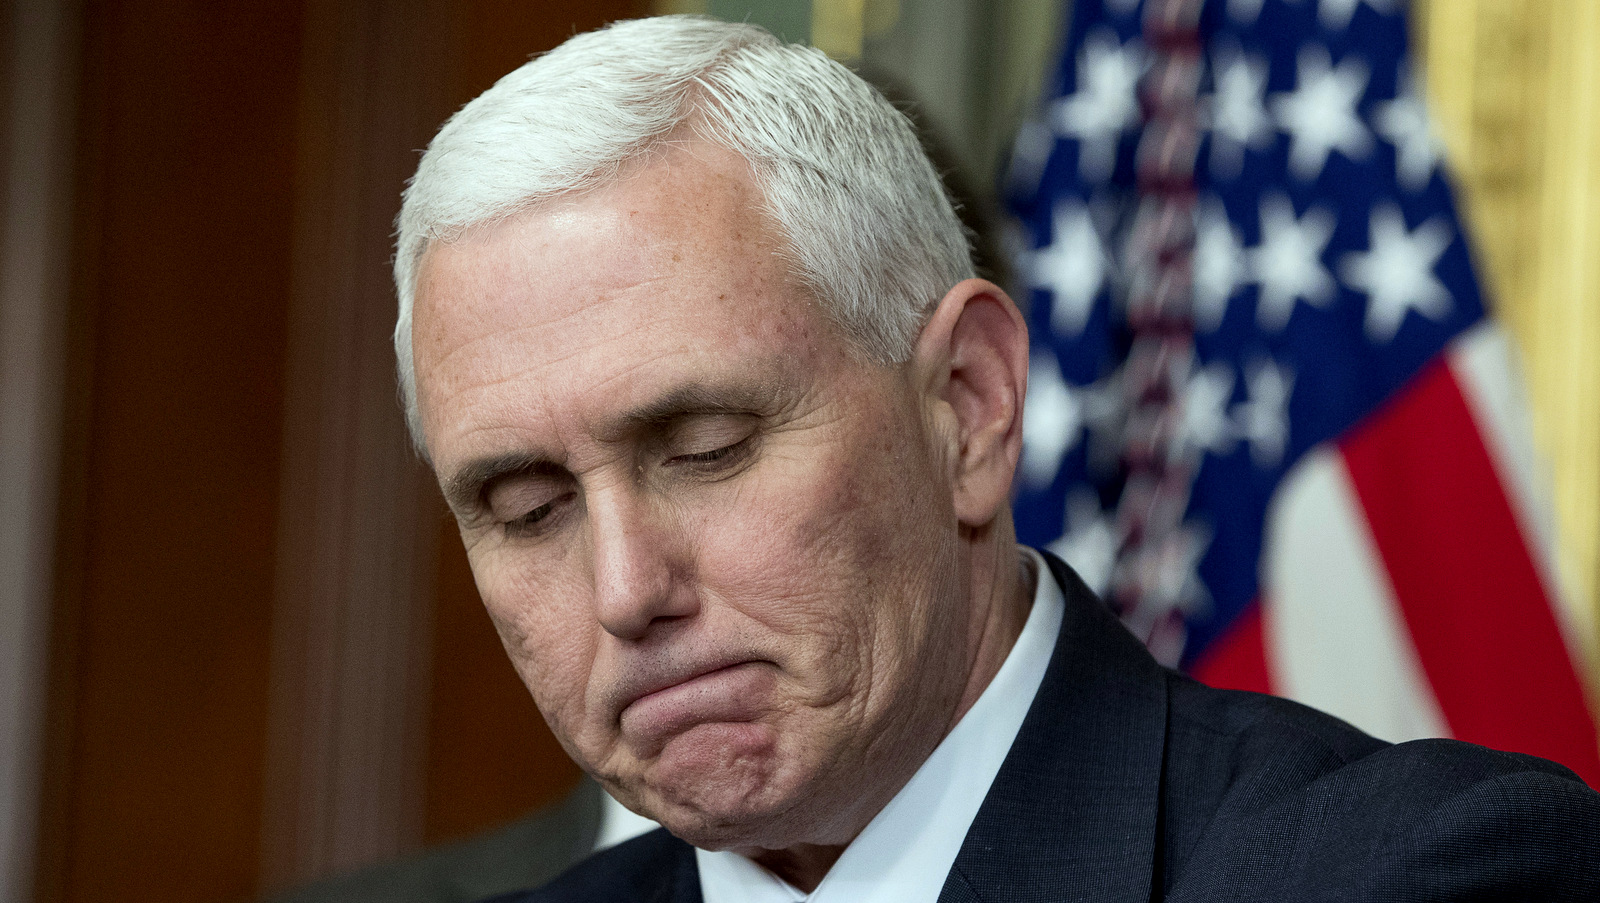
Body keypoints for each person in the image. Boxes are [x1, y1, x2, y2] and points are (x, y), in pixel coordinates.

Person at [394, 15, 1600, 903]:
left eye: (704, 449)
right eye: (530, 508)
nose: (623, 591)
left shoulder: (1420, 877)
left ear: (967, 407)